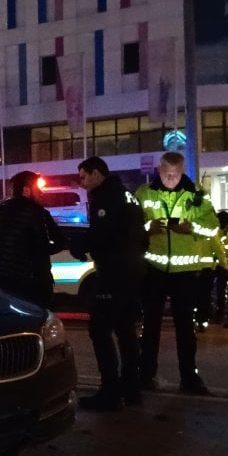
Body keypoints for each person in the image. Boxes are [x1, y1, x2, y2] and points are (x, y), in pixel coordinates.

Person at [134, 152, 219, 395]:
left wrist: (190, 227)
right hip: (154, 270)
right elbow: (130, 226)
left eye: (175, 174)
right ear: (158, 171)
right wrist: (147, 228)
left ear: (182, 172)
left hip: (185, 272)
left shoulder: (197, 195)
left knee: (186, 328)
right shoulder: (144, 193)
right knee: (150, 326)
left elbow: (213, 228)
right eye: (165, 174)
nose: (170, 179)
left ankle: (189, 378)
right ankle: (146, 373)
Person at [70, 157, 147, 411]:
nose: (81, 183)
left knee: (100, 330)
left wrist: (80, 246)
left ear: (96, 174)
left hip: (114, 272)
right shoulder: (128, 196)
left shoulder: (106, 197)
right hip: (133, 272)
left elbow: (102, 233)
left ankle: (110, 392)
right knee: (126, 330)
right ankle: (132, 388)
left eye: (83, 177)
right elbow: (142, 237)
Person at [0, 170, 68, 308]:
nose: (41, 192)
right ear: (26, 190)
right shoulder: (37, 212)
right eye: (38, 188)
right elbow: (46, 247)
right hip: (21, 287)